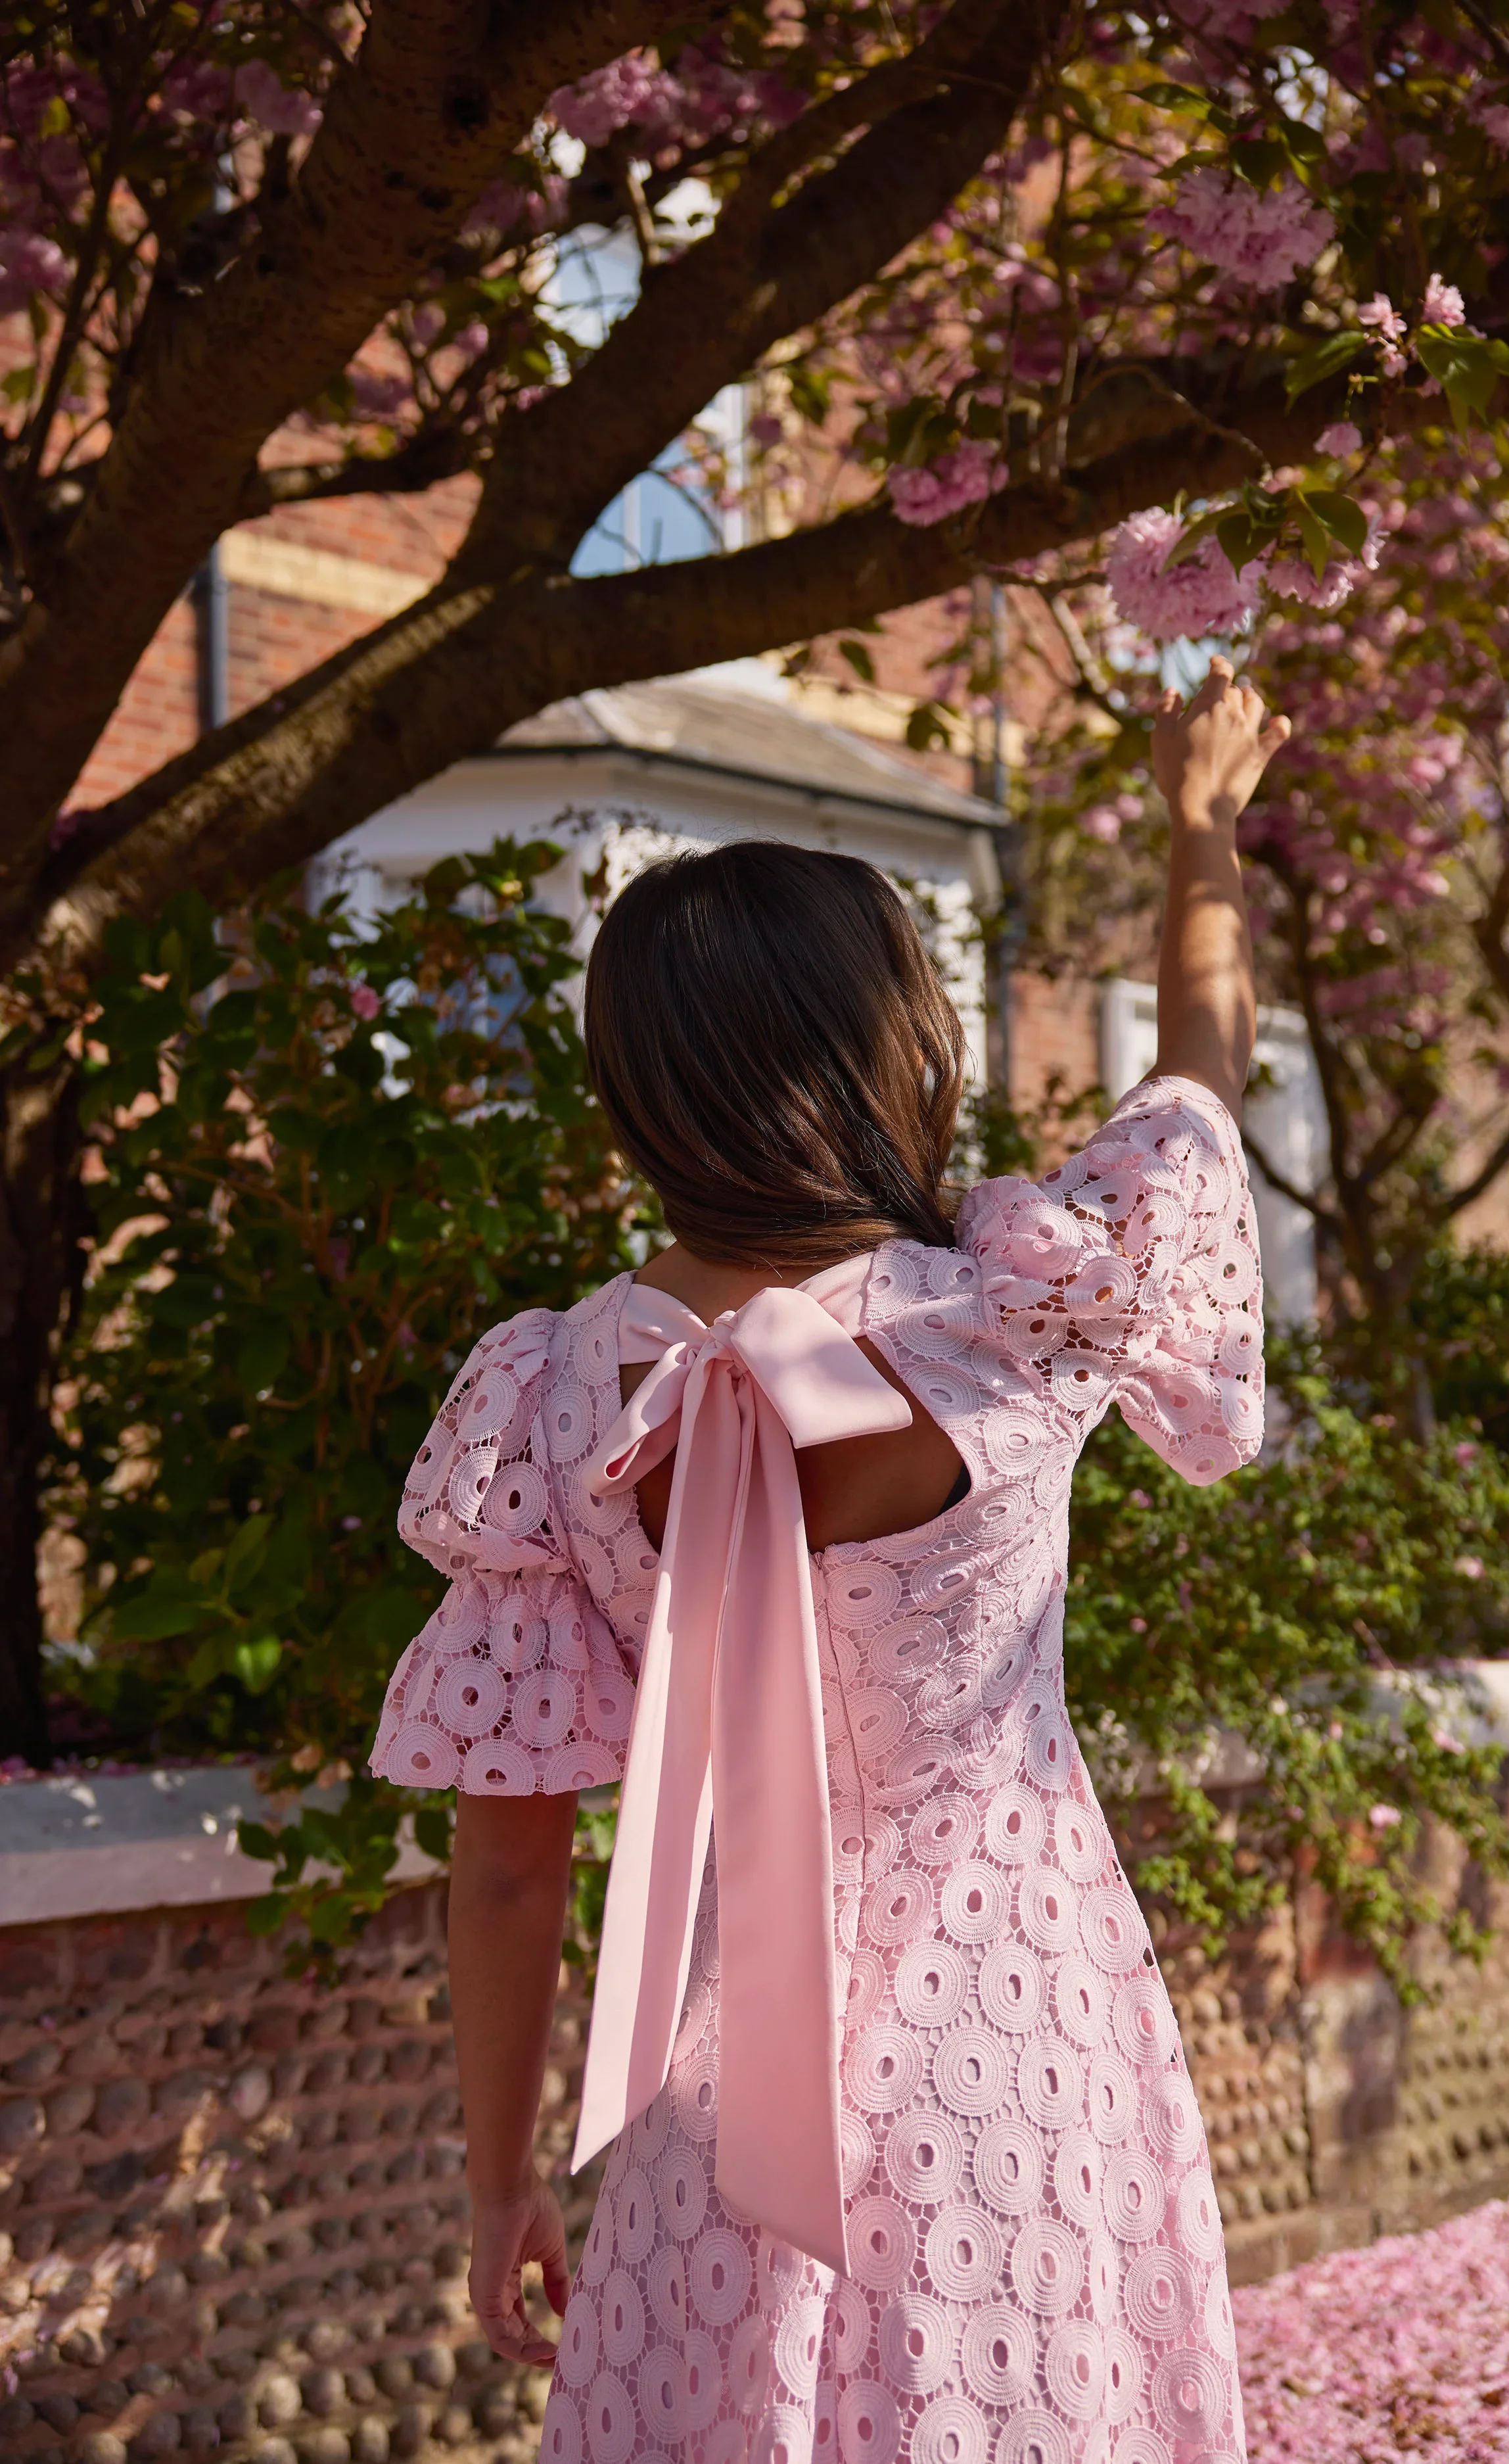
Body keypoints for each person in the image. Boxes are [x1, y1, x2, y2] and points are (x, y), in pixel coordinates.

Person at [371, 655, 1290, 2464]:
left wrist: (498, 2187)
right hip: (1014, 2049)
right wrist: (1198, 828)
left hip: (713, 2104)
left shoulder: (551, 1398)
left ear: (628, 1090)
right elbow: (1197, 1080)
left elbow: (502, 1862)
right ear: (906, 1054)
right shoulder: (1017, 1310)